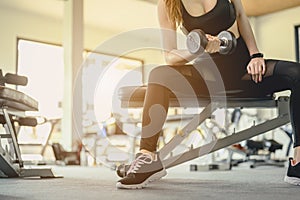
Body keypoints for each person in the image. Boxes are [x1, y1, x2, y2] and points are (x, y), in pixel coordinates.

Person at [116, 0, 300, 189]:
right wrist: (198, 48)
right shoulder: (168, 4)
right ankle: (148, 158)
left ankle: (298, 160)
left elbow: (241, 17)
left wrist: (255, 55)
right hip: (207, 79)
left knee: (297, 73)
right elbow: (169, 55)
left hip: (245, 73)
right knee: (159, 74)